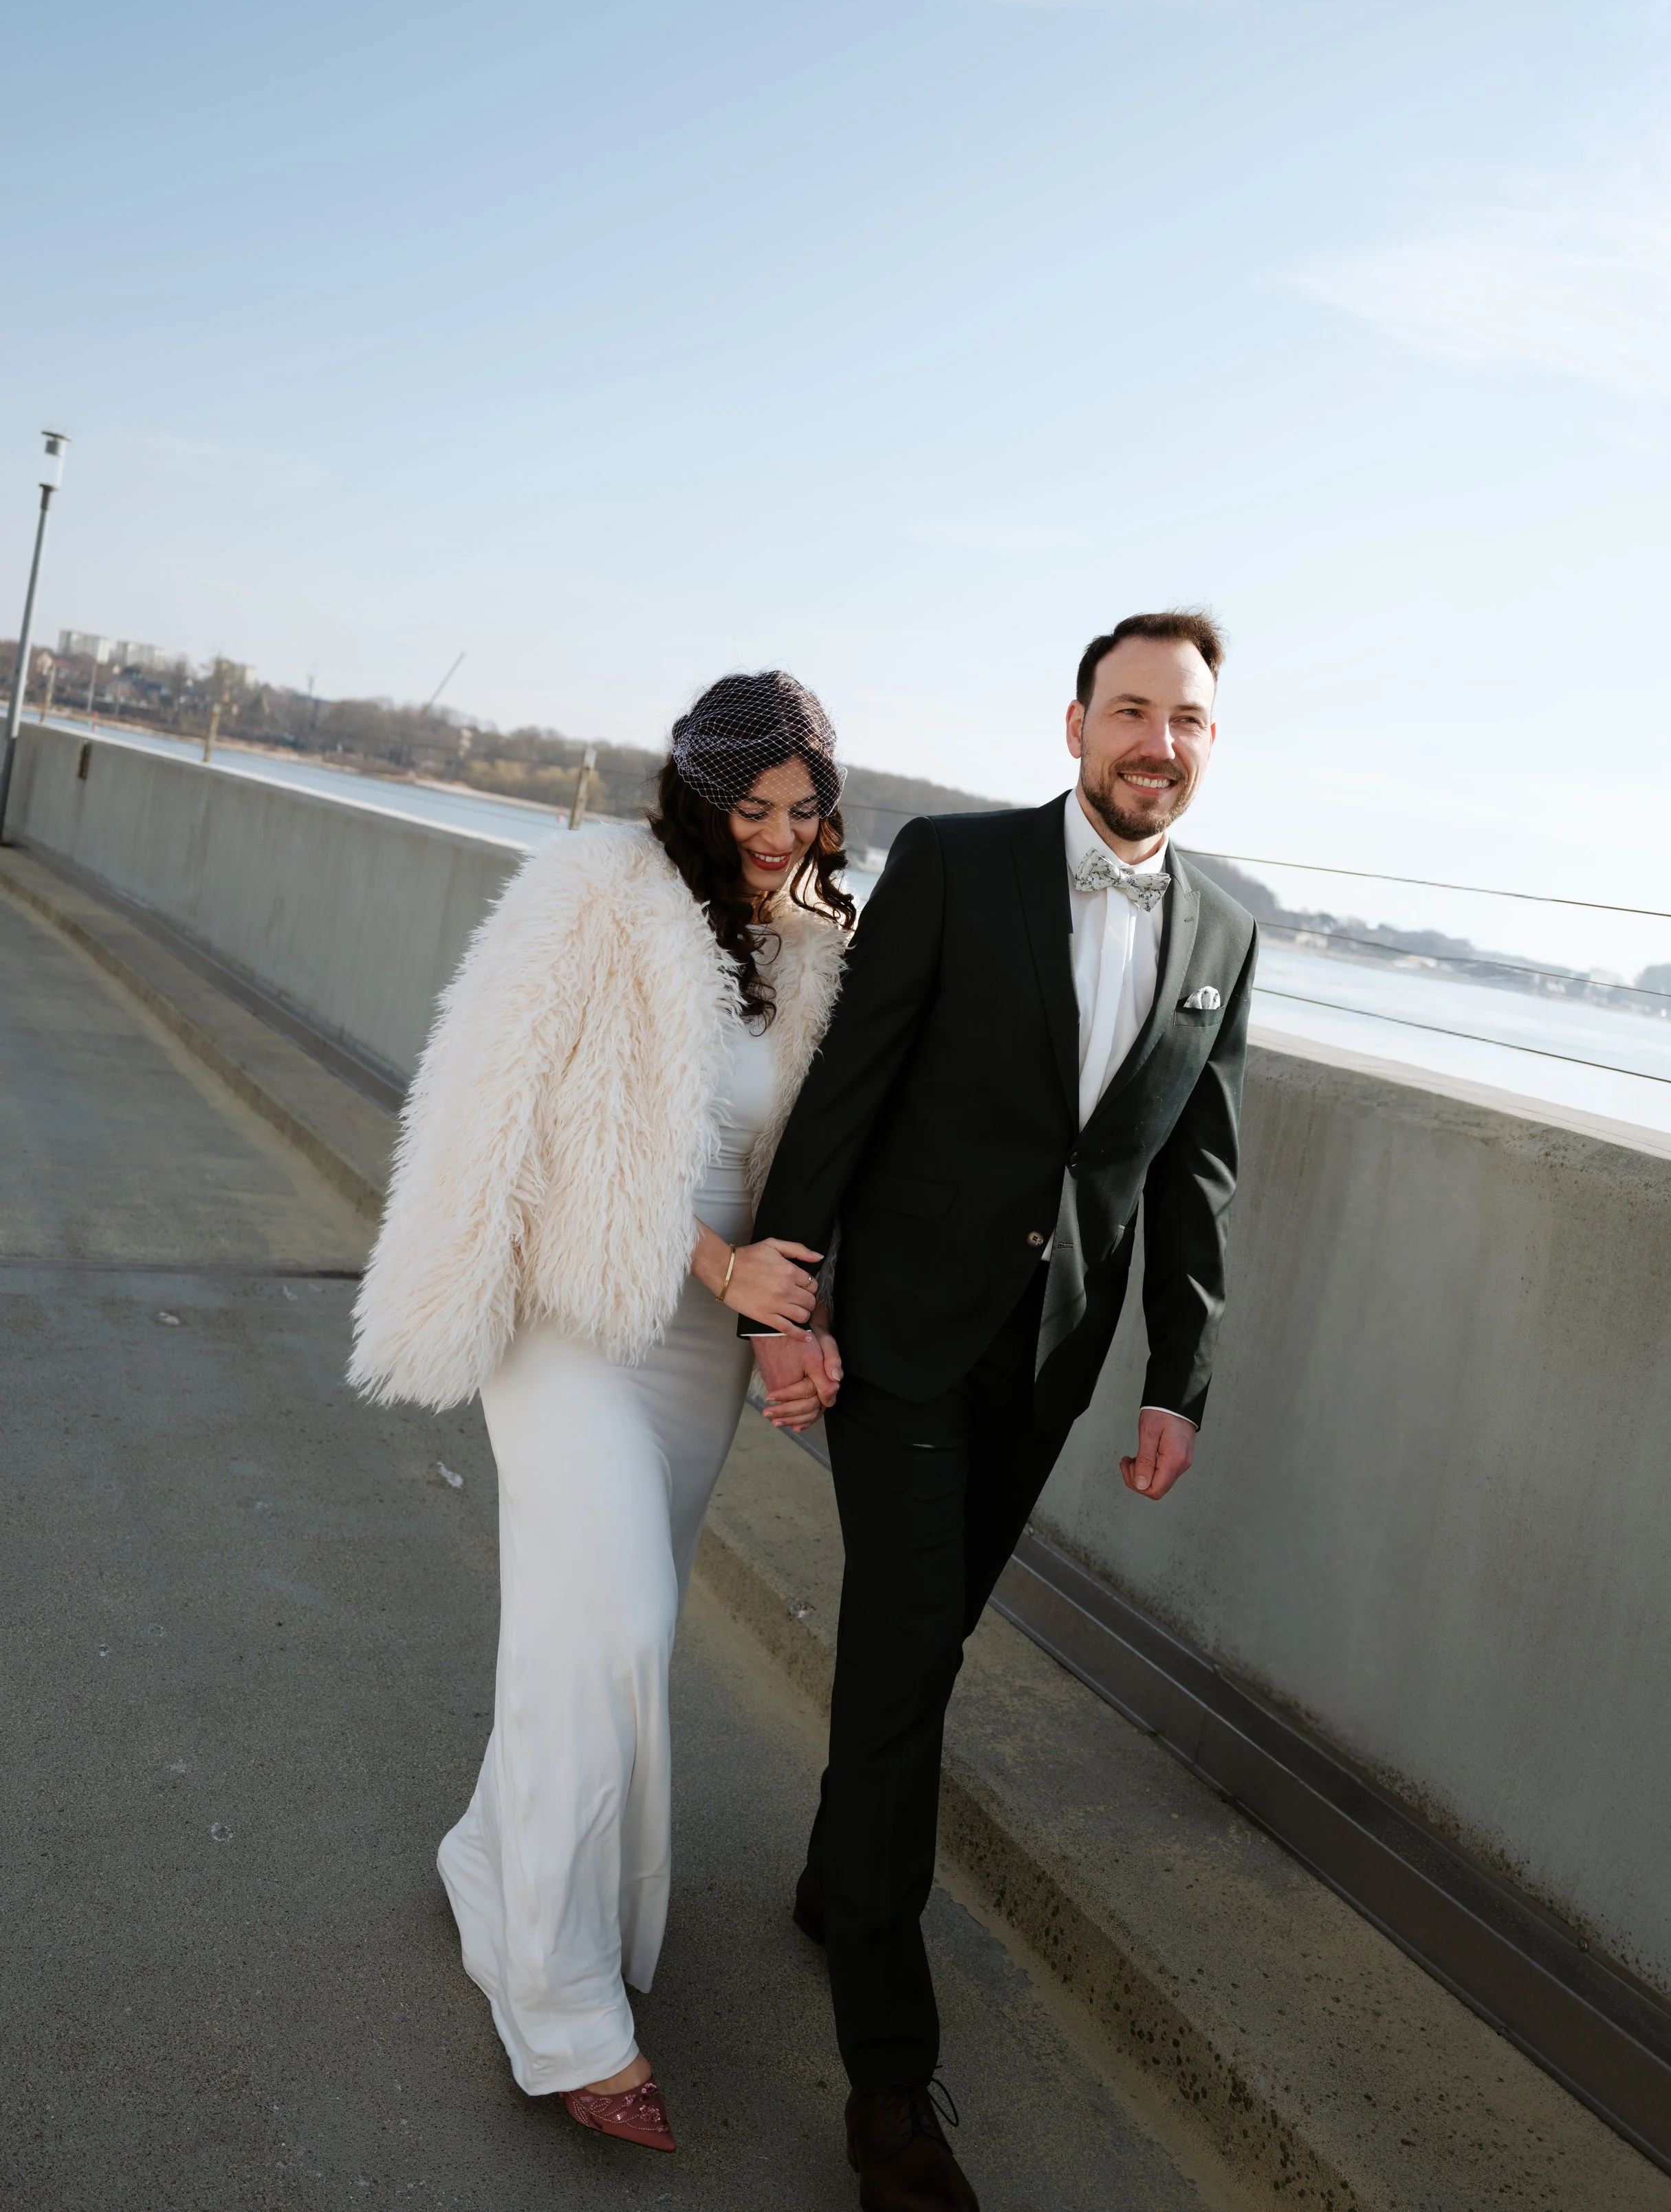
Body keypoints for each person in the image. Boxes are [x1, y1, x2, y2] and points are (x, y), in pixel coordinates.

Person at [745, 611, 1258, 2212]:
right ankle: (890, 2088)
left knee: (929, 1640)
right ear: (1072, 725)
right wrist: (782, 1303)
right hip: (896, 1339)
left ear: (1205, 743)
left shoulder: (1228, 931)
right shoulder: (958, 866)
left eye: (1179, 718)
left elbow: (1193, 1168)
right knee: (905, 1677)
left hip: (1045, 1365)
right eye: (1126, 710)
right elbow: (853, 1087)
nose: (1150, 741)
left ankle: (839, 1871)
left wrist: (1178, 1376)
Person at [349, 672, 853, 2155]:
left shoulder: (817, 938)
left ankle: (488, 1860)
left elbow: (806, 1160)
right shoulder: (591, 891)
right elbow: (507, 1113)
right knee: (618, 1624)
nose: (775, 834)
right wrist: (711, 1259)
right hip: (571, 1309)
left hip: (697, 1347)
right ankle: (562, 2003)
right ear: (691, 794)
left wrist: (783, 1321)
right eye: (748, 807)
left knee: (584, 1631)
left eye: (803, 808)